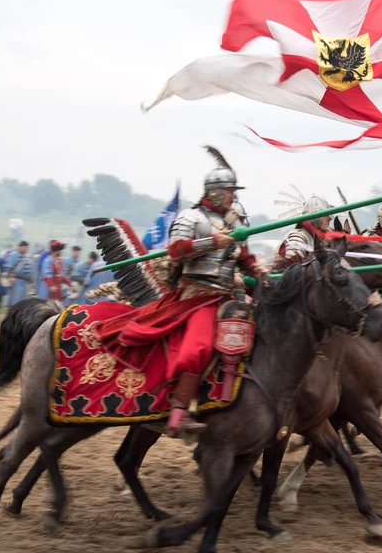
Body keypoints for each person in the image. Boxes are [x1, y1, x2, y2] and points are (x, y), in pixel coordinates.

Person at [96, 147, 268, 436]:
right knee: (198, 348)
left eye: (233, 191)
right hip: (197, 296)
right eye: (228, 191)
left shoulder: (235, 222)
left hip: (228, 297)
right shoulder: (191, 218)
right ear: (213, 192)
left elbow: (244, 258)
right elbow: (176, 251)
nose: (232, 196)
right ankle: (178, 411)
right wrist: (213, 242)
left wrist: (258, 271)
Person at [273, 194, 332, 270]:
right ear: (316, 218)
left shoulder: (315, 238)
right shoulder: (298, 236)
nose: (329, 219)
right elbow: (293, 272)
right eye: (325, 215)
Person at [4, 241, 33, 308]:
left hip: (24, 282)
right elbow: (9, 267)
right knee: (13, 300)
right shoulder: (13, 255)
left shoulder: (27, 257)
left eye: (27, 247)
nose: (26, 249)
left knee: (22, 301)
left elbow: (28, 270)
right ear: (19, 247)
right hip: (15, 281)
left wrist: (31, 281)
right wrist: (10, 277)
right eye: (24, 247)